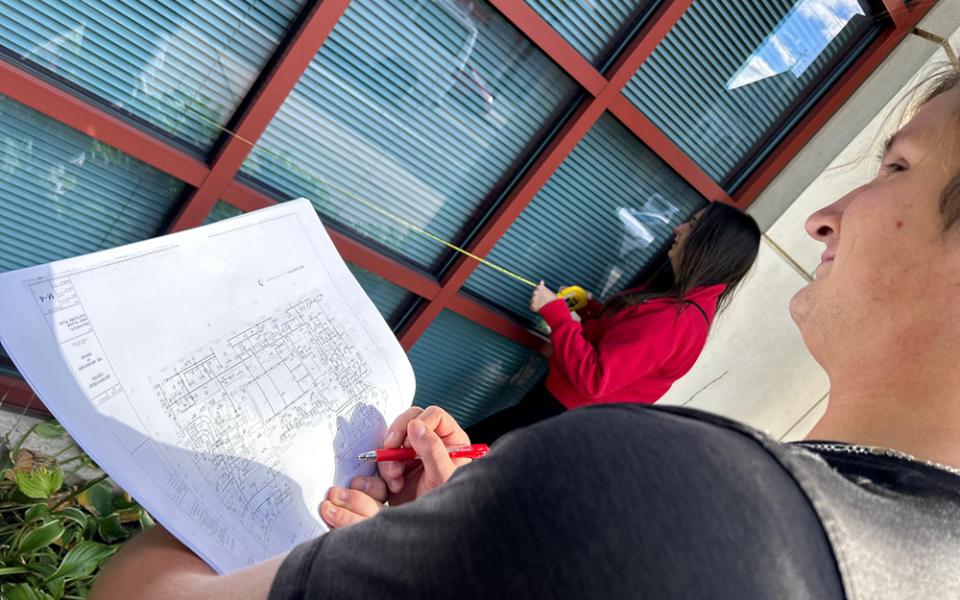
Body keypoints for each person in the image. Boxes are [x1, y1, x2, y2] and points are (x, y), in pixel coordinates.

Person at [89, 67, 960, 599]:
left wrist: (261, 488)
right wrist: (452, 541)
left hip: (558, 416)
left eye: (897, 166)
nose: (823, 218)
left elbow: (589, 385)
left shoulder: (668, 495)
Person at [468, 202, 761, 444]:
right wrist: (589, 309)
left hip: (558, 421)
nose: (679, 228)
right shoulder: (677, 304)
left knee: (452, 461)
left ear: (709, 247)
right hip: (557, 412)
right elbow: (622, 339)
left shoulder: (676, 320)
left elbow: (596, 379)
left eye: (693, 225)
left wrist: (556, 313)